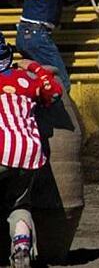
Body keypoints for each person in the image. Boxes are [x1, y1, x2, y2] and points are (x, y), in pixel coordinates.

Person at [0, 35, 63, 268]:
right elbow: (55, 92)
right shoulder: (26, 79)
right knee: (19, 205)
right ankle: (22, 246)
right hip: (28, 154)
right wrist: (35, 67)